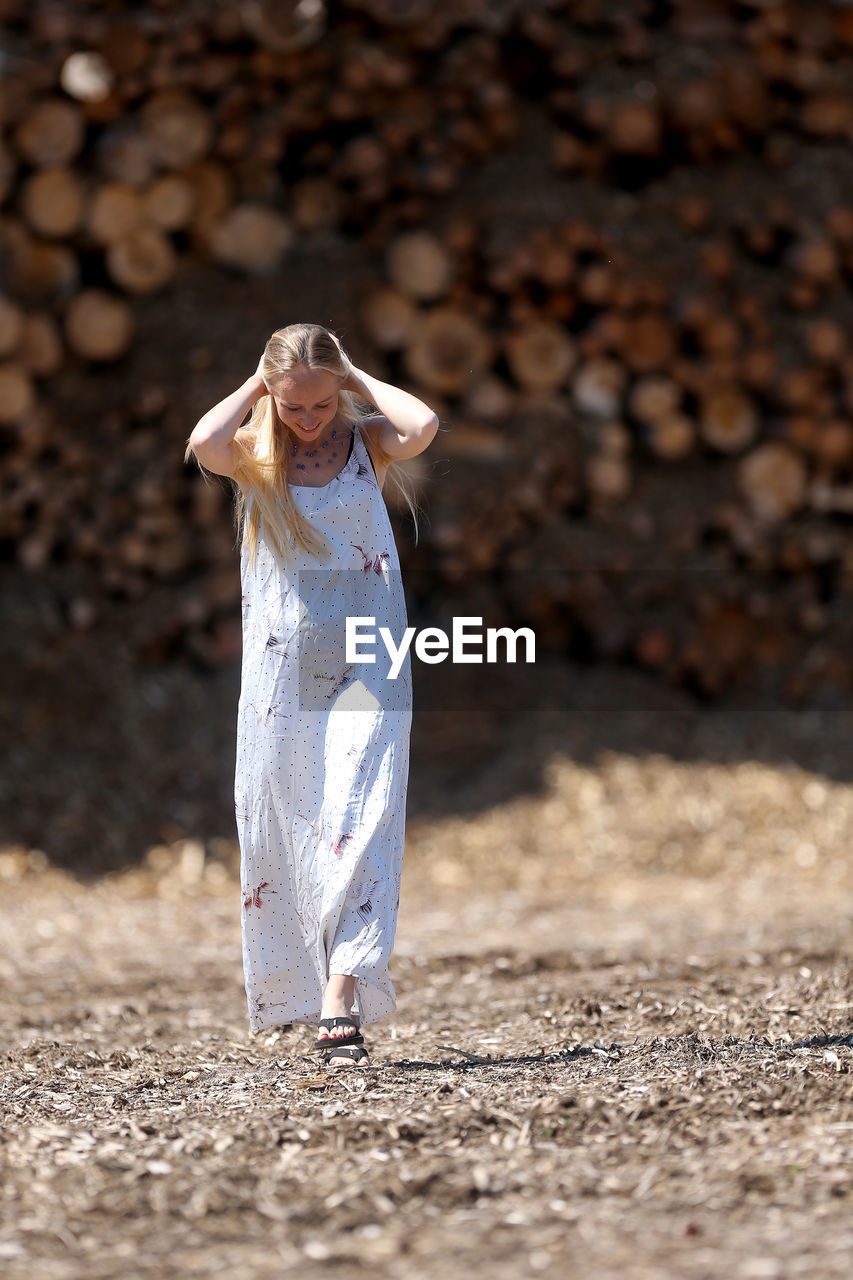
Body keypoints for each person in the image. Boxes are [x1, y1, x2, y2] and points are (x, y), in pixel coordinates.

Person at [185, 323, 438, 1067]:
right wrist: (260, 387)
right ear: (269, 394)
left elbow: (421, 424)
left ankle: (342, 997)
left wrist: (355, 378)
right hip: (280, 676)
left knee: (364, 812)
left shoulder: (368, 445)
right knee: (290, 825)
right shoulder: (256, 456)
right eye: (293, 405)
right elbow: (204, 441)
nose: (309, 418)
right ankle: (302, 987)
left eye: (321, 403)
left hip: (368, 661)